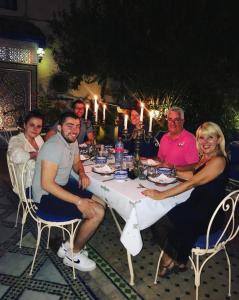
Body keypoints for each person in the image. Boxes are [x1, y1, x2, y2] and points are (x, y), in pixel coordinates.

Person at [143, 122, 228, 276]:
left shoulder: (218, 160)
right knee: (159, 218)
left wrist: (160, 194)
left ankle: (174, 259)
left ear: (218, 139)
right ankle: (178, 259)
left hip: (209, 214)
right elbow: (193, 176)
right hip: (196, 204)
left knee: (159, 223)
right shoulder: (205, 158)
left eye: (210, 137)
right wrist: (169, 170)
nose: (205, 142)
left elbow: (192, 182)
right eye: (202, 138)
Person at [32, 111, 105, 272]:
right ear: (59, 127)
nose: (74, 130)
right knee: (97, 212)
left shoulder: (72, 142)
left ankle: (67, 245)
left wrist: (82, 173)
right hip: (45, 196)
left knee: (101, 202)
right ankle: (74, 254)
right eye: (69, 126)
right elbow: (47, 184)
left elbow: (77, 162)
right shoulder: (53, 146)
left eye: (77, 126)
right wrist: (79, 201)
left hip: (62, 186)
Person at [8, 111, 44, 190]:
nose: (35, 129)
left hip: (42, 180)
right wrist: (34, 154)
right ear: (25, 125)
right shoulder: (16, 140)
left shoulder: (38, 139)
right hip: (27, 186)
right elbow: (16, 156)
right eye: (32, 125)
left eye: (39, 126)